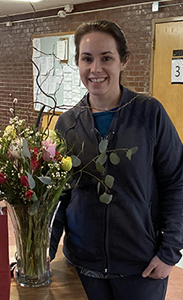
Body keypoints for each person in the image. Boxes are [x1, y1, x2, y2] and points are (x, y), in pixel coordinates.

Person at [50, 20, 183, 300]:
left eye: (106, 58)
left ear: (123, 61)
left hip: (141, 268)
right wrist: (40, 252)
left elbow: (176, 183)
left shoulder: (149, 115)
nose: (95, 69)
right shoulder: (67, 124)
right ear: (77, 62)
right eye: (87, 59)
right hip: (82, 267)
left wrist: (170, 252)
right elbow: (58, 196)